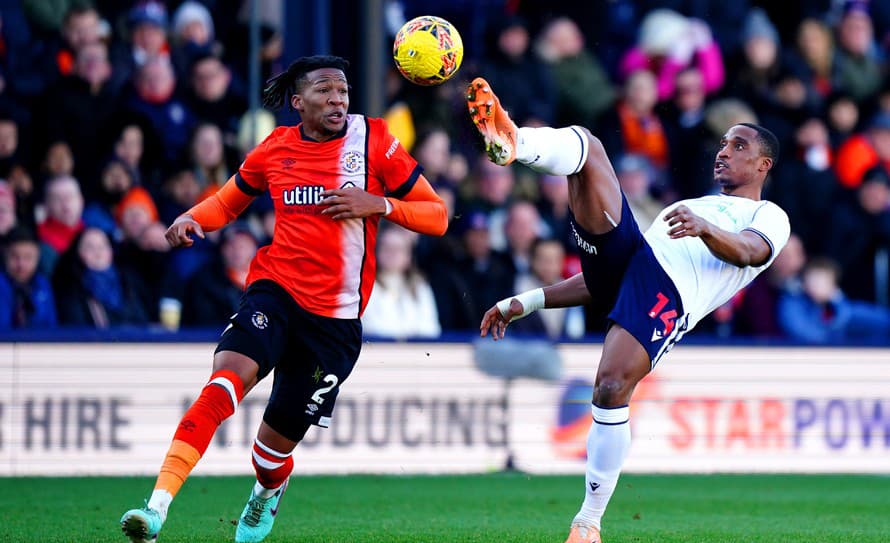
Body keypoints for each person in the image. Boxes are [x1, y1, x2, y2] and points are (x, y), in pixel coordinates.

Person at [119, 55, 447, 543]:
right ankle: (156, 508)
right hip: (274, 291)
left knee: (269, 454)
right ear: (298, 102)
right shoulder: (274, 148)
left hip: (334, 322)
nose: (338, 100)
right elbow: (230, 200)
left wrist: (379, 204)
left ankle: (266, 491)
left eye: (343, 91)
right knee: (223, 385)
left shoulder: (375, 140)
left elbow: (438, 215)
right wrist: (194, 218)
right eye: (324, 91)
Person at [468, 77, 789, 543]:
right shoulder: (688, 206)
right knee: (589, 149)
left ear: (763, 164)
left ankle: (588, 521)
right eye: (721, 144)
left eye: (737, 146)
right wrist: (528, 300)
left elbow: (748, 252)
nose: (722, 152)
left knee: (611, 386)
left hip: (670, 297)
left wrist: (703, 229)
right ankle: (514, 141)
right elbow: (608, 284)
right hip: (635, 261)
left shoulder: (768, 216)